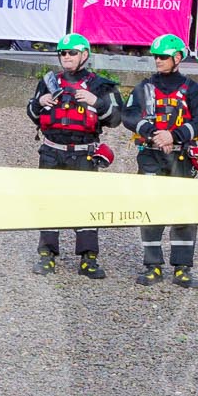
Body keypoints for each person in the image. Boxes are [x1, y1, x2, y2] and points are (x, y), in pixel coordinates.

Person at [27, 32, 122, 278]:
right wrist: (39, 103)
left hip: (83, 154)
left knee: (87, 204)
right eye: (62, 53)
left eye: (72, 53)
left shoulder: (101, 85)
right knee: (48, 203)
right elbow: (32, 113)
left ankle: (88, 258)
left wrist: (97, 102)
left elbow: (116, 119)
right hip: (51, 152)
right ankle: (46, 255)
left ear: (84, 55)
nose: (66, 57)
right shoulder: (48, 82)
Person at [127, 35, 198, 289]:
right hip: (150, 155)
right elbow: (129, 116)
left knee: (183, 210)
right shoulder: (143, 88)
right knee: (150, 209)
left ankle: (182, 268)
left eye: (163, 56)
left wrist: (173, 136)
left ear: (177, 58)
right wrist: (155, 134)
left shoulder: (195, 90)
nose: (158, 61)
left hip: (181, 156)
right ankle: (152, 266)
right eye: (155, 56)